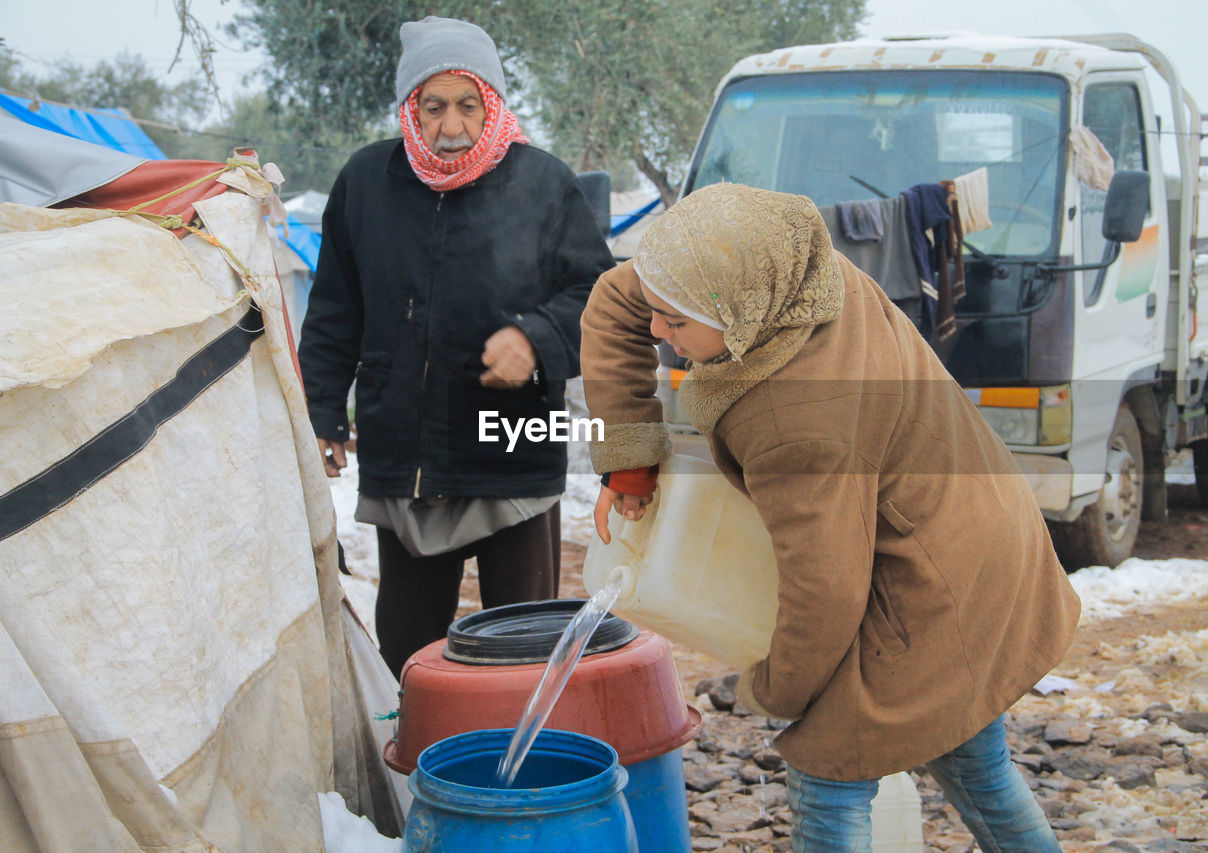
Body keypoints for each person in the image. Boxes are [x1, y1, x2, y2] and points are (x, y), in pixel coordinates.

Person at [581, 183, 1081, 851]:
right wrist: (631, 459)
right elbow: (620, 300)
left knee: (828, 766)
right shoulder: (791, 273)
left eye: (676, 324)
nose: (655, 330)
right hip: (983, 518)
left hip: (934, 575)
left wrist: (772, 686)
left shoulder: (796, 419)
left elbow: (826, 595)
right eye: (661, 311)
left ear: (736, 314)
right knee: (977, 766)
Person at [299, 16, 614, 676]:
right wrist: (324, 409)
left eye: (467, 105)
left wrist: (537, 338)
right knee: (409, 655)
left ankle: (521, 774)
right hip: (406, 458)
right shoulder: (365, 183)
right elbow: (334, 308)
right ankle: (422, 774)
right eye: (433, 106)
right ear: (409, 107)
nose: (451, 126)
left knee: (523, 647)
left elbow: (599, 295)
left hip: (513, 451)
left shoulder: (542, 182)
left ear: (491, 104)